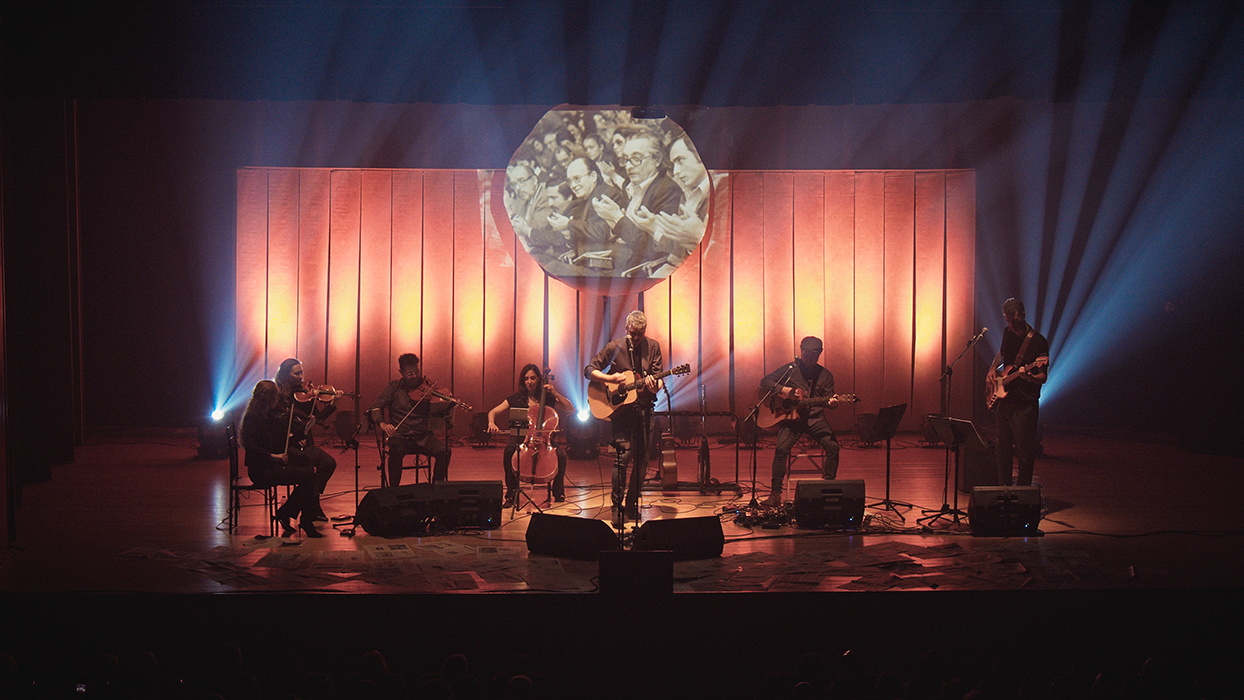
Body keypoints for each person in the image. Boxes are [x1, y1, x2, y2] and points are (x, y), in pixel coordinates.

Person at [585, 310, 664, 527]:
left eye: (640, 334)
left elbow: (658, 379)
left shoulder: (653, 347)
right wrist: (610, 377)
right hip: (622, 414)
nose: (637, 338)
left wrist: (653, 384)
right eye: (633, 334)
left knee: (643, 460)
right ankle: (616, 508)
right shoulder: (615, 347)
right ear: (626, 330)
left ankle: (631, 505)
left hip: (645, 410)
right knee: (622, 459)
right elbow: (589, 370)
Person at [758, 336, 843, 507]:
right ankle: (775, 494)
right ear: (800, 352)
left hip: (815, 418)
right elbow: (765, 381)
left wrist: (832, 403)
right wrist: (785, 390)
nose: (808, 360)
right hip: (793, 421)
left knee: (833, 447)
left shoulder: (825, 375)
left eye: (812, 357)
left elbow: (828, 400)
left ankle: (828, 488)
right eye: (805, 356)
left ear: (819, 355)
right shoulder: (791, 369)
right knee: (781, 449)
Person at [590, 132, 684, 274]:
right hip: (616, 259)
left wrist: (617, 219)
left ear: (657, 160)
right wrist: (610, 220)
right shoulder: (630, 184)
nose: (628, 166)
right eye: (625, 159)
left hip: (635, 272)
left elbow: (656, 250)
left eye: (636, 159)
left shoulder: (668, 190)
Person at [239, 380, 323, 537]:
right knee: (309, 477)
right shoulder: (253, 418)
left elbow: (282, 442)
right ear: (267, 397)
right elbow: (250, 447)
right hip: (261, 470)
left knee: (306, 464)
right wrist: (273, 456)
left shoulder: (266, 416)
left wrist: (305, 429)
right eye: (276, 396)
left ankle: (291, 514)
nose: (278, 400)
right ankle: (299, 518)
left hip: (270, 464)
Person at [485, 364, 574, 507]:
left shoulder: (548, 399)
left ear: (539, 379)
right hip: (521, 436)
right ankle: (511, 495)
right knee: (508, 452)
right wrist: (491, 422)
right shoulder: (516, 399)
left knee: (561, 456)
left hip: (544, 438)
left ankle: (558, 492)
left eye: (533, 378)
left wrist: (556, 393)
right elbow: (493, 412)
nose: (529, 382)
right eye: (526, 379)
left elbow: (570, 408)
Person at [987, 298, 1049, 487]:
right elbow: (1002, 354)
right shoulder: (1008, 333)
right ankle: (1003, 489)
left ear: (1022, 315)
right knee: (1002, 450)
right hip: (1005, 403)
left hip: (1025, 406)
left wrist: (1029, 377)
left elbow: (1043, 377)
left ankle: (1023, 494)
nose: (1011, 326)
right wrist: (992, 368)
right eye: (1008, 321)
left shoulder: (1038, 342)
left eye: (1014, 321)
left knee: (1024, 453)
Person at [367, 353, 453, 487]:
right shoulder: (393, 387)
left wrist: (445, 405)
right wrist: (383, 424)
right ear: (401, 372)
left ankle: (437, 488)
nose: (414, 376)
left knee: (445, 451)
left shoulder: (427, 387)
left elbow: (441, 410)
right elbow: (376, 407)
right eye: (409, 373)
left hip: (423, 436)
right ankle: (394, 491)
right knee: (395, 451)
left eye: (416, 372)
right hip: (401, 436)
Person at [273, 358, 339, 521]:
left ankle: (303, 505)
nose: (302, 377)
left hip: (306, 443)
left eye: (302, 372)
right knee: (308, 472)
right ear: (285, 375)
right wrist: (292, 437)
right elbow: (276, 424)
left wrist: (332, 404)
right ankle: (312, 508)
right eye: (297, 373)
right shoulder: (279, 396)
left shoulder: (305, 395)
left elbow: (318, 418)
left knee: (329, 463)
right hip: (288, 447)